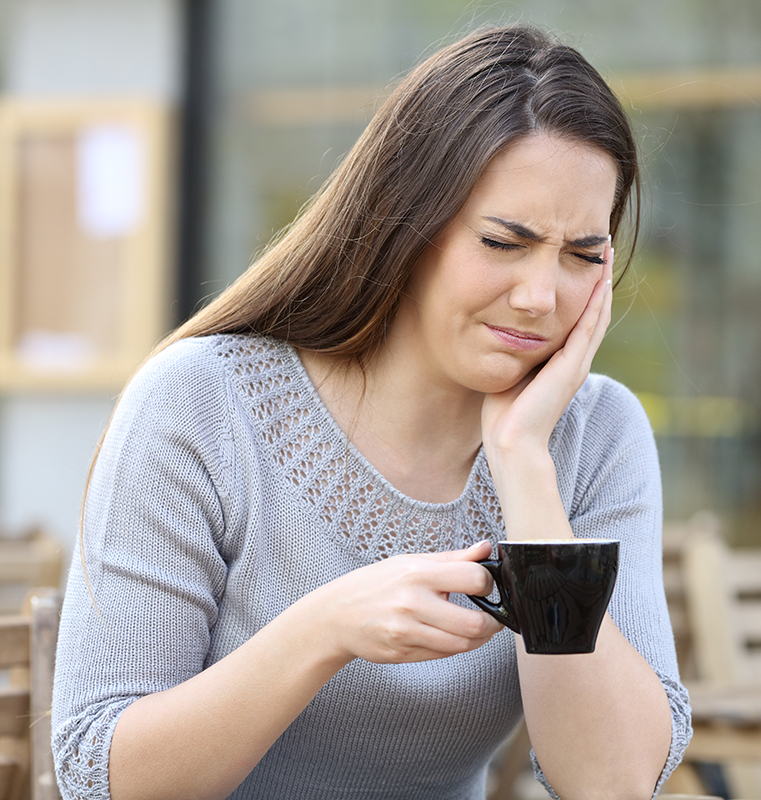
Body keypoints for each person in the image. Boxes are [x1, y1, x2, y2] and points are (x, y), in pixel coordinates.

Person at [51, 23, 691, 800]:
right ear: (409, 223)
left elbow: (612, 786)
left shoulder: (594, 438)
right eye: (502, 243)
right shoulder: (202, 405)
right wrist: (323, 631)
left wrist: (526, 469)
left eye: (583, 255)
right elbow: (101, 776)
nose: (540, 297)